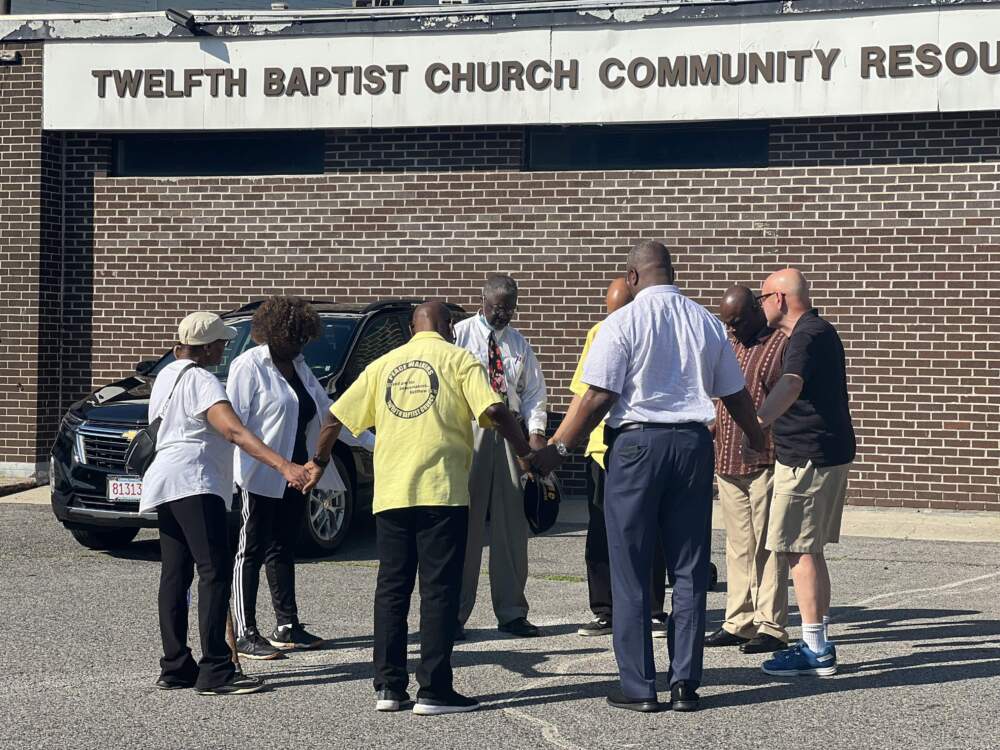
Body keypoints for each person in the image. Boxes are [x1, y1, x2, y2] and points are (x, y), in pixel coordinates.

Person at [533, 241, 766, 714]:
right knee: (689, 565)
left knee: (632, 567)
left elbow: (597, 397)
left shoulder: (621, 322)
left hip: (637, 447)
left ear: (633, 277)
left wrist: (557, 450)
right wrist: (758, 435)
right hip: (693, 447)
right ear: (672, 272)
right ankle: (685, 683)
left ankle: (639, 687)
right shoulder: (705, 321)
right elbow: (734, 394)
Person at [309, 301, 535, 715]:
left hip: (392, 492)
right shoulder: (459, 360)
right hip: (441, 492)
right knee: (438, 590)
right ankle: (434, 690)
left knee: (392, 589)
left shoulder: (384, 364)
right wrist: (525, 456)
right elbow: (496, 409)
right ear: (448, 327)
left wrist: (318, 463)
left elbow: (334, 416)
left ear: (412, 327)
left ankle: (389, 688)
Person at [139, 311, 310, 696]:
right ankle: (216, 669)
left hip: (164, 479)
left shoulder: (167, 374)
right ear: (204, 347)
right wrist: (283, 464)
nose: (224, 347)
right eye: (219, 342)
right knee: (214, 572)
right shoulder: (201, 379)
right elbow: (234, 430)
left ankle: (175, 665)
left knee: (175, 573)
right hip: (195, 482)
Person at [227, 296, 373, 660]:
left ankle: (286, 626)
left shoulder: (300, 367)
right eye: (294, 338)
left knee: (283, 548)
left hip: (297, 476)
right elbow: (236, 429)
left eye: (303, 339)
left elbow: (330, 416)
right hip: (258, 475)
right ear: (273, 334)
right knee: (250, 550)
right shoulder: (249, 367)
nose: (300, 345)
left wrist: (378, 444)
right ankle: (245, 632)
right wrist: (279, 465)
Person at [746, 269, 856, 677]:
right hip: (821, 453)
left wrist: (758, 424)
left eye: (762, 298)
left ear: (778, 298)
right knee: (809, 549)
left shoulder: (807, 335)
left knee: (798, 550)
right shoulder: (816, 331)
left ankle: (815, 650)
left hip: (807, 458)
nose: (760, 305)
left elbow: (791, 383)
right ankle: (818, 642)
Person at [555, 278, 669, 639]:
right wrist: (561, 443)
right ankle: (605, 610)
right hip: (602, 451)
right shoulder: (599, 333)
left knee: (650, 531)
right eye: (610, 310)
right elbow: (583, 392)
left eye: (619, 309)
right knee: (601, 534)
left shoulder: (647, 329)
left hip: (640, 447)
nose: (614, 317)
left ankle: (652, 609)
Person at [453, 274, 548, 639]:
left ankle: (511, 611)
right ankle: (455, 614)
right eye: (497, 308)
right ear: (483, 301)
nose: (503, 315)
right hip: (470, 431)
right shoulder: (460, 335)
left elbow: (534, 392)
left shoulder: (519, 344)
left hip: (510, 436)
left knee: (511, 527)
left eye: (509, 308)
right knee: (467, 526)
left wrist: (536, 435)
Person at [704, 286, 790, 655]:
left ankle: (771, 625)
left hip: (764, 459)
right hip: (727, 460)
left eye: (737, 321)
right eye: (728, 323)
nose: (732, 329)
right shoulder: (729, 344)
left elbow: (789, 398)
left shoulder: (781, 345)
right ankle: (739, 620)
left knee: (769, 546)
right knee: (738, 546)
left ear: (757, 308)